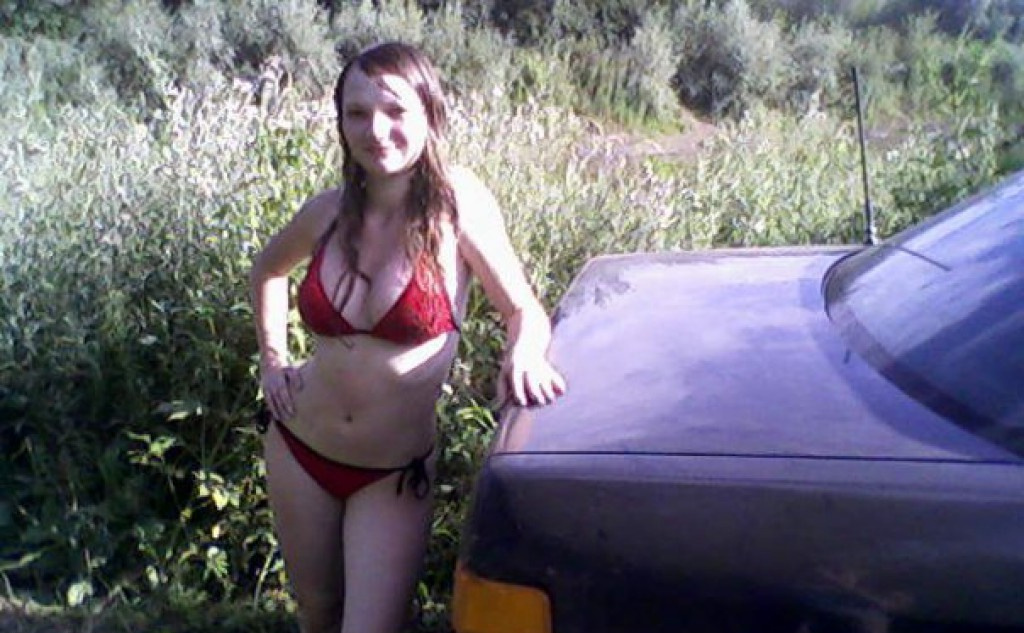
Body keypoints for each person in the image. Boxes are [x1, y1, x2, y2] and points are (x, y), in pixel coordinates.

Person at [249, 41, 566, 633]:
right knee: (318, 614)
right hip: (298, 448)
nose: (377, 130)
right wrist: (273, 359)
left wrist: (523, 351)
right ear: (341, 123)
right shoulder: (326, 214)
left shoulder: (459, 207)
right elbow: (267, 269)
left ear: (429, 113)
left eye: (395, 110)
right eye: (357, 113)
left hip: (391, 475)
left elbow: (524, 308)